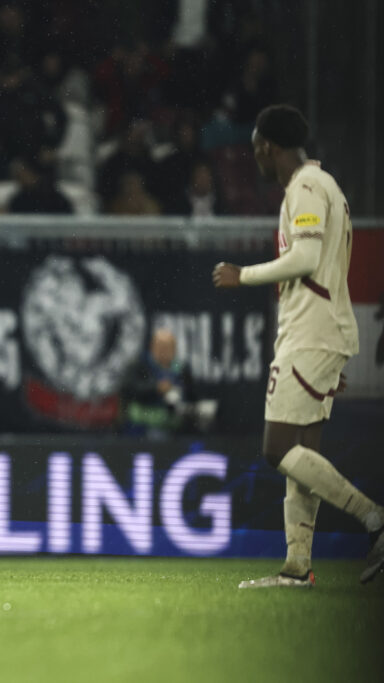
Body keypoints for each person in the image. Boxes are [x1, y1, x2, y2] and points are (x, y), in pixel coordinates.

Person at [213, 105, 383, 587]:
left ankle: (375, 519)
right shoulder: (326, 187)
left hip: (311, 332)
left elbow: (306, 257)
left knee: (278, 447)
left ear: (268, 146)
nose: (256, 160)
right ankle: (296, 568)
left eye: (255, 150)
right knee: (303, 454)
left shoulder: (305, 187)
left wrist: (242, 275)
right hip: (320, 333)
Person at [121, 328, 195, 438]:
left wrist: (177, 391)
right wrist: (156, 388)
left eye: (168, 347)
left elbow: (189, 392)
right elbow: (128, 389)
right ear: (152, 347)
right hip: (143, 422)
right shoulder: (140, 364)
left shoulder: (179, 367)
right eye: (160, 346)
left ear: (174, 349)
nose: (163, 351)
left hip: (173, 423)